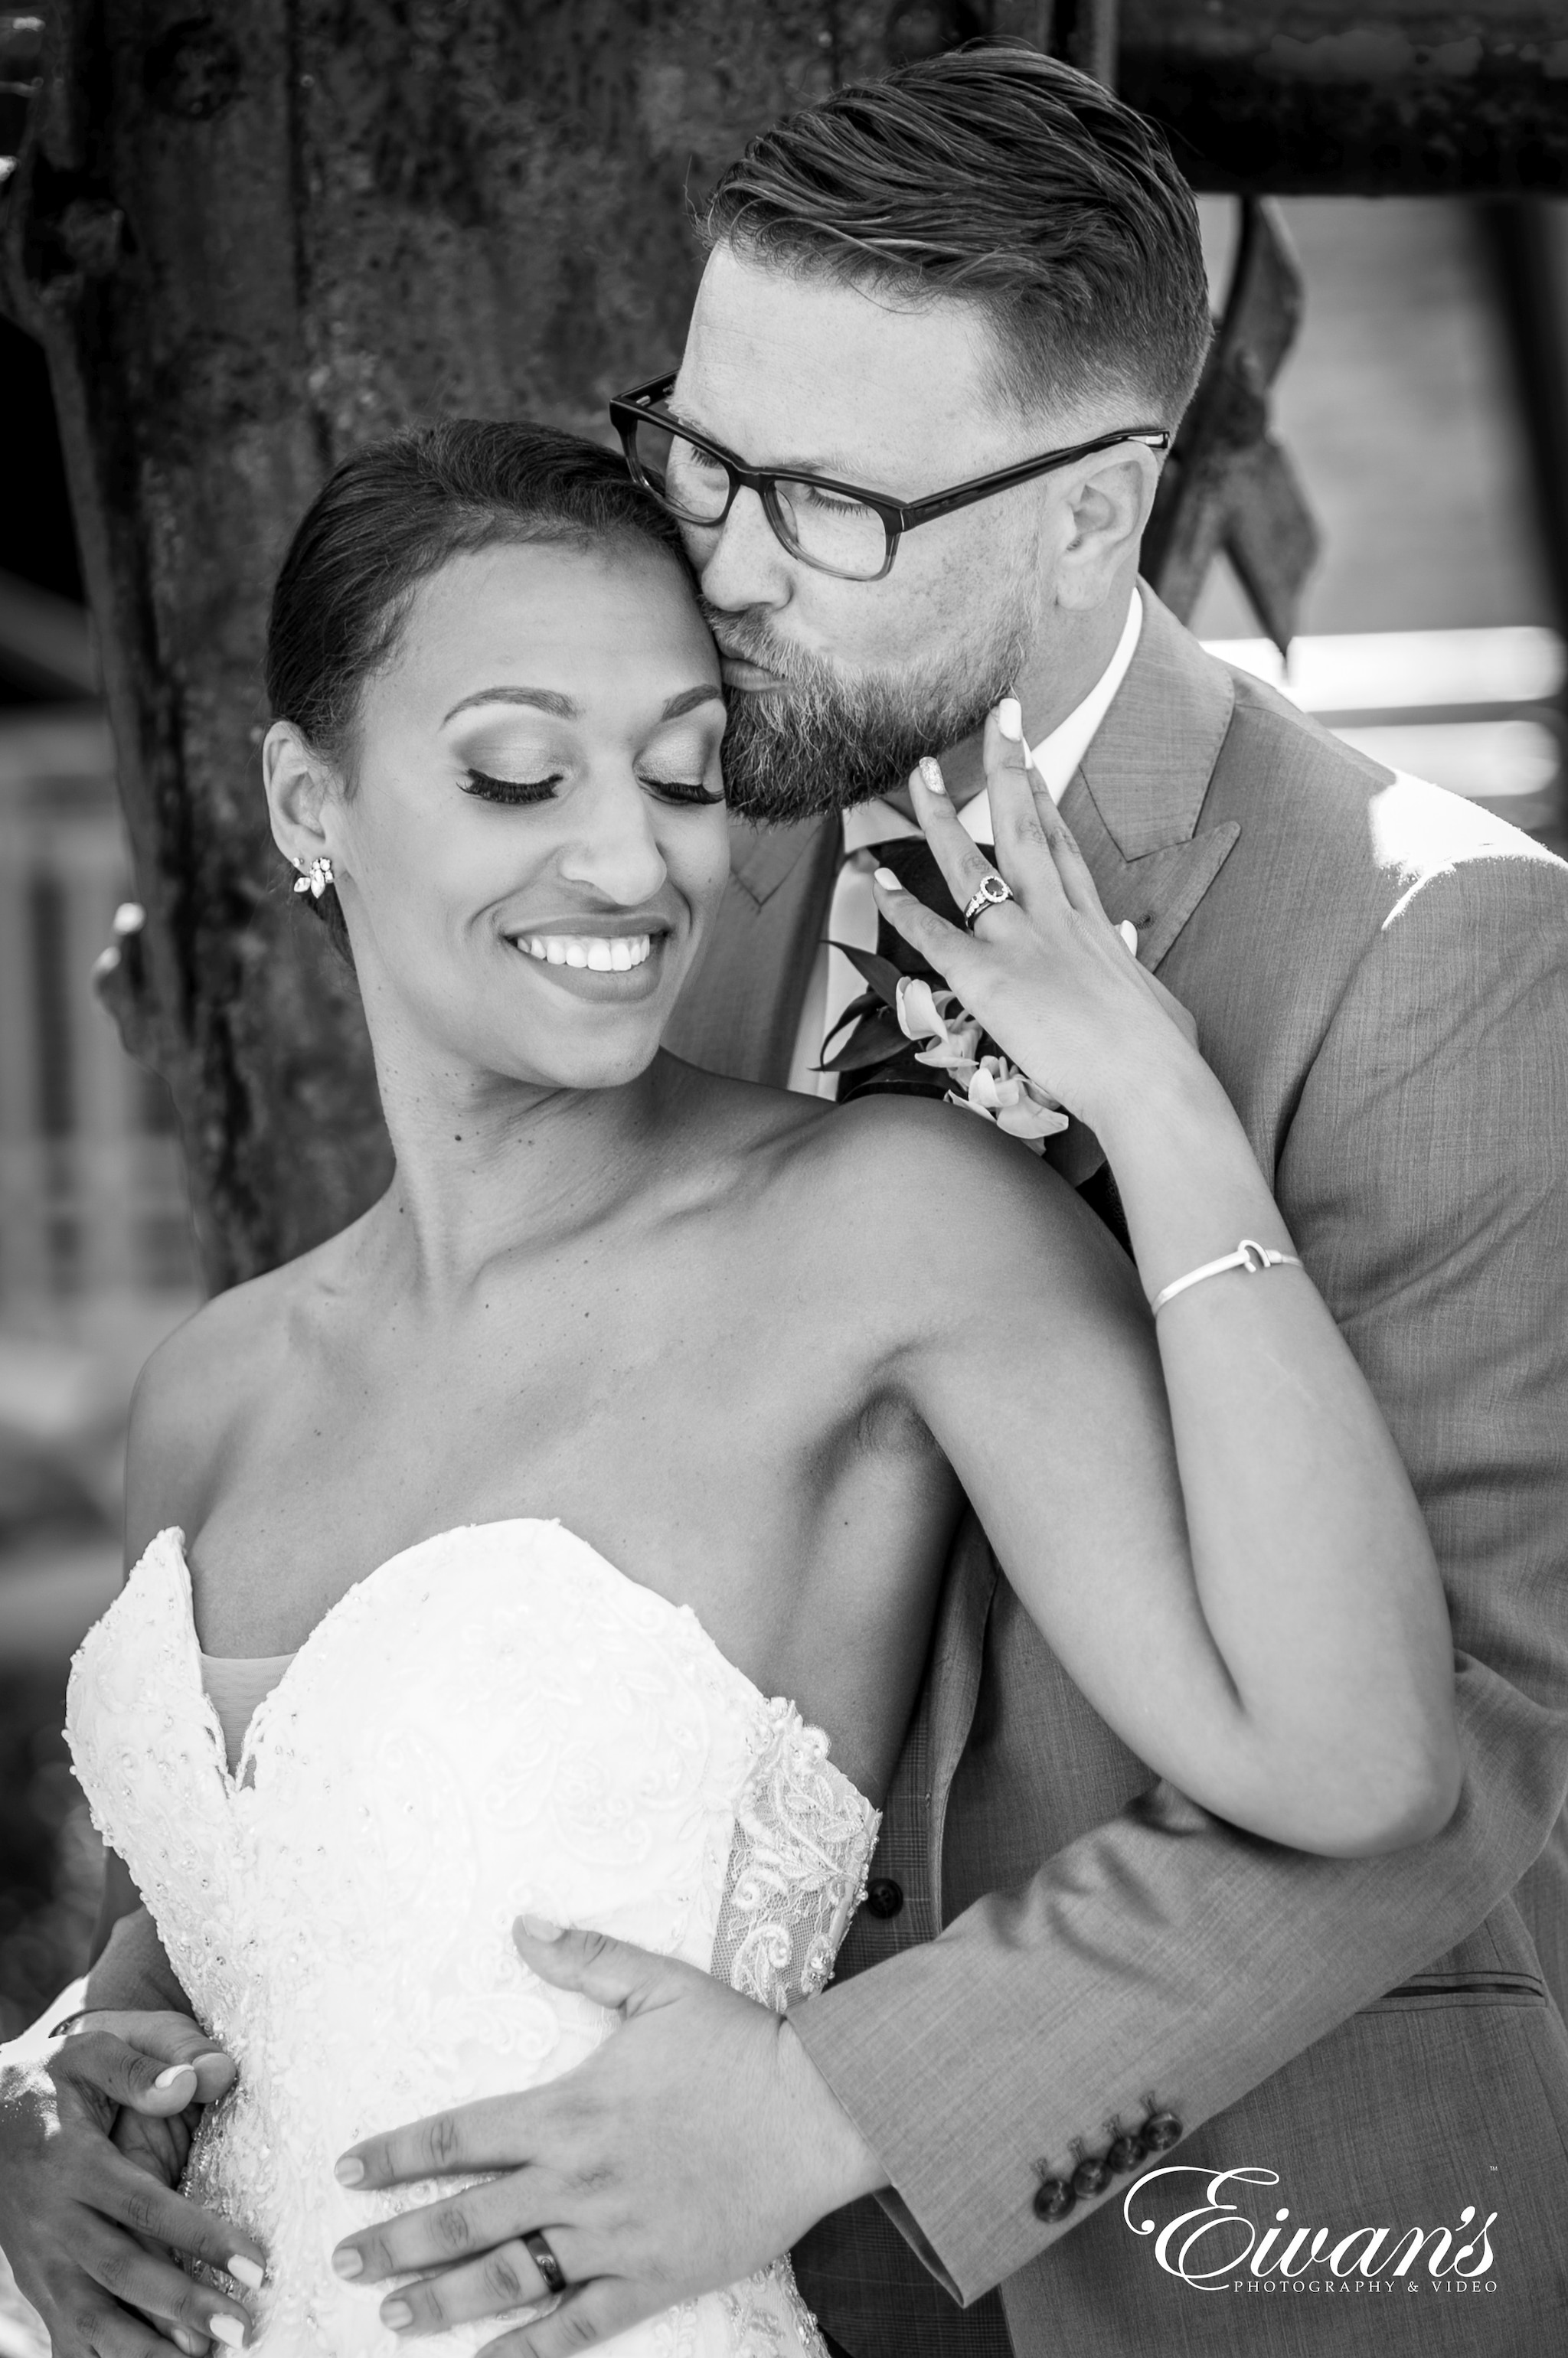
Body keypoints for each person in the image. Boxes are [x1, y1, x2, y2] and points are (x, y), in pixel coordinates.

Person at [168, 42, 1563, 2358]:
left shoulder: (1443, 956)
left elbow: (1479, 1743)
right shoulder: (659, 854)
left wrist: (845, 2105)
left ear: (1095, 513)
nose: (716, 562)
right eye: (698, 453)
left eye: (821, 502)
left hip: (1233, 2246)